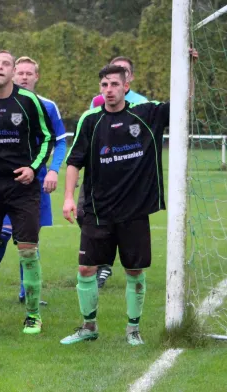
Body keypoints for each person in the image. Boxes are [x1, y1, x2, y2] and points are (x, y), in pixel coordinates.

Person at [61, 64, 170, 346]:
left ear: (126, 87)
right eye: (104, 85)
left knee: (134, 271)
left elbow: (184, 104)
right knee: (86, 269)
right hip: (98, 211)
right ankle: (88, 327)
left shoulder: (145, 115)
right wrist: (69, 198)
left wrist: (190, 69)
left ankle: (133, 330)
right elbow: (74, 162)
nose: (108, 90)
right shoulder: (91, 121)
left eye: (114, 84)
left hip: (134, 212)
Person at [0, 50, 54, 335]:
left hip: (22, 187)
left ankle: (33, 315)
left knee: (28, 251)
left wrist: (34, 168)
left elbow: (48, 137)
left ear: (13, 71)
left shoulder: (28, 101)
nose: (0, 68)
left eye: (5, 64)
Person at [0, 56, 67, 304]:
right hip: (3, 181)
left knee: (29, 239)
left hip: (36, 183)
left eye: (28, 73)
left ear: (36, 77)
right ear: (12, 75)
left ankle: (26, 291)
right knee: (0, 235)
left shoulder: (47, 106)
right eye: (19, 72)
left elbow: (60, 140)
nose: (23, 77)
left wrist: (53, 170)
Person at [86, 56, 148, 288]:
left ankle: (107, 264)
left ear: (128, 78)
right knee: (86, 214)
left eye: (121, 74)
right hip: (98, 176)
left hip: (128, 182)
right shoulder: (96, 102)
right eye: (105, 83)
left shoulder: (142, 104)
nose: (109, 88)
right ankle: (104, 260)